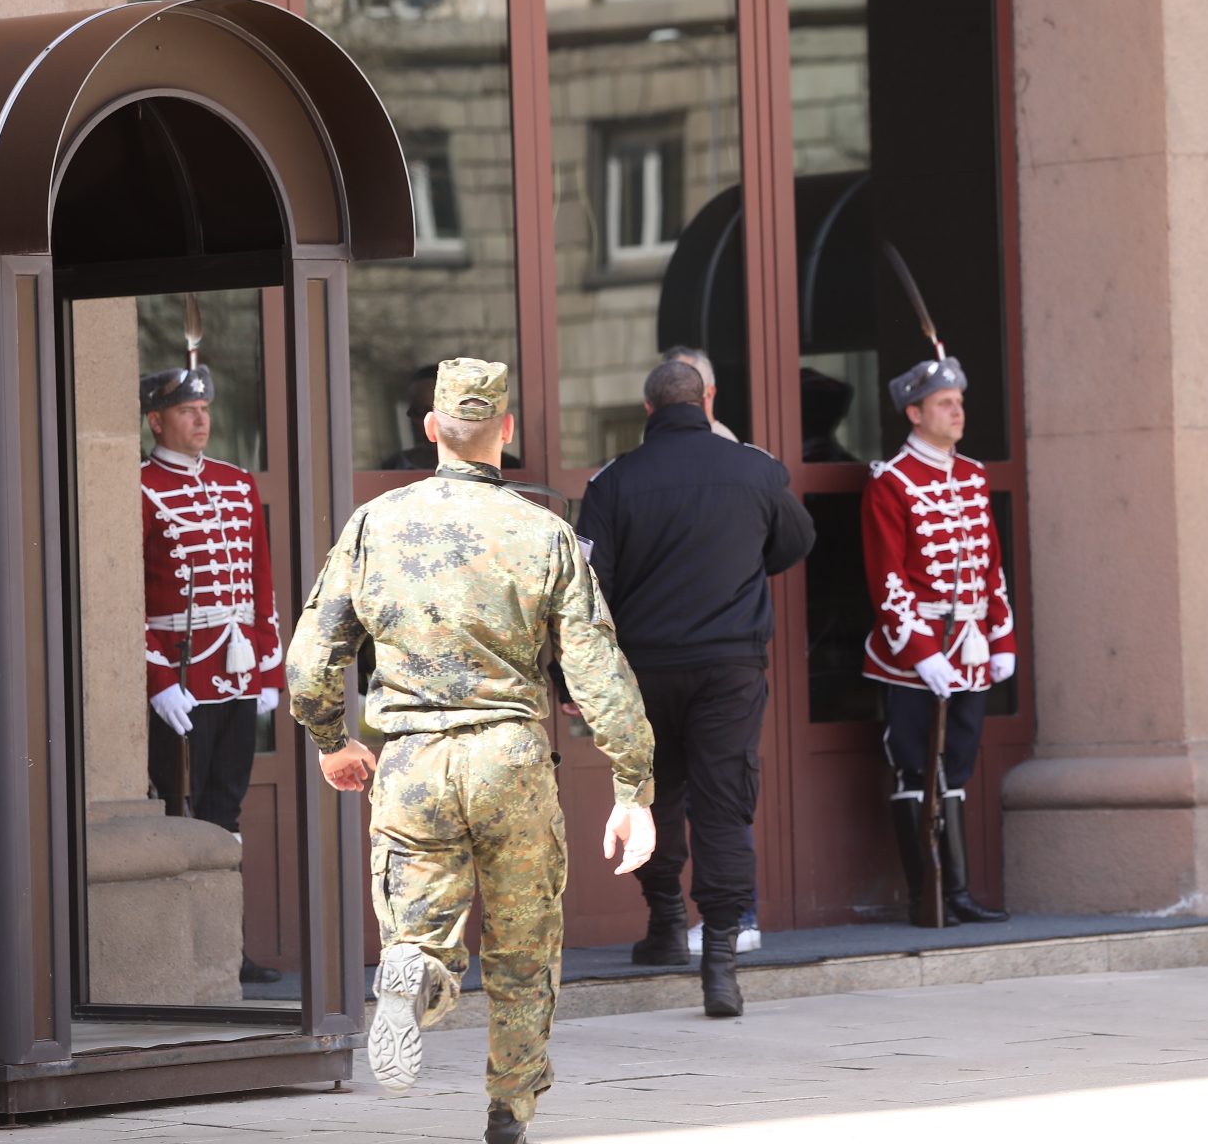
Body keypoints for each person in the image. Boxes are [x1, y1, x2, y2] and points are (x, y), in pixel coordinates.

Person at [286, 358, 656, 1144]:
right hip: (510, 760)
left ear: (431, 430)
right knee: (524, 947)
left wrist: (331, 741)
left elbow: (309, 661)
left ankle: (414, 974)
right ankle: (510, 1108)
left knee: (420, 927)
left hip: (412, 759)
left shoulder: (373, 524)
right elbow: (597, 672)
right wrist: (633, 784)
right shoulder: (545, 533)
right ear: (507, 432)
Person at [575, 359, 814, 1017]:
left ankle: (666, 926)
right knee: (725, 803)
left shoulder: (616, 481)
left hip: (645, 670)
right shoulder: (757, 471)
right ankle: (721, 966)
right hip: (729, 668)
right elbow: (797, 539)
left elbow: (590, 588)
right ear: (708, 401)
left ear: (648, 410)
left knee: (653, 796)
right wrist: (739, 564)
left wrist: (577, 676)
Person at [139, 364, 286, 983]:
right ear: (157, 419)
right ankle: (184, 952)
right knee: (183, 808)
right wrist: (156, 679)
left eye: (205, 410)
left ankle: (227, 949)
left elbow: (260, 581)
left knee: (225, 809)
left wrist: (270, 665)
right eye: (186, 411)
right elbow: (123, 595)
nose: (201, 420)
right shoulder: (139, 486)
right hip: (180, 677)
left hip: (238, 672)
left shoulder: (235, 483)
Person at [862, 355, 1016, 926]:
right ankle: (925, 894)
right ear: (915, 412)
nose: (958, 412)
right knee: (915, 768)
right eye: (946, 404)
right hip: (913, 656)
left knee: (958, 765)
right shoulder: (892, 480)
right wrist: (922, 654)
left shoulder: (973, 475)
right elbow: (888, 579)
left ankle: (958, 892)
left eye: (959, 403)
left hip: (971, 647)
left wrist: (1002, 637)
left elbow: (991, 567)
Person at [660, 345, 740, 442]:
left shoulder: (722, 442)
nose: (673, 395)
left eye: (685, 387)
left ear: (708, 393)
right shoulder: (662, 440)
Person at [378, 362, 440, 470]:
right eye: (411, 412)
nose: (413, 421)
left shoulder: (474, 471)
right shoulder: (394, 466)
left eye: (420, 411)